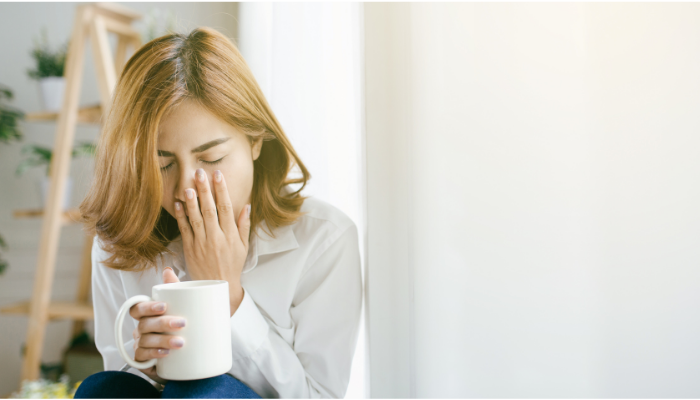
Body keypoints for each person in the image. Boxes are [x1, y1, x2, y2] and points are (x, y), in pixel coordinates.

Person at [73, 26, 362, 399]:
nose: (186, 190)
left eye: (211, 158)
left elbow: (318, 395)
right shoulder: (117, 244)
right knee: (105, 389)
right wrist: (146, 364)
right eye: (162, 165)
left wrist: (228, 299)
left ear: (256, 140)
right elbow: (124, 373)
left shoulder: (324, 240)